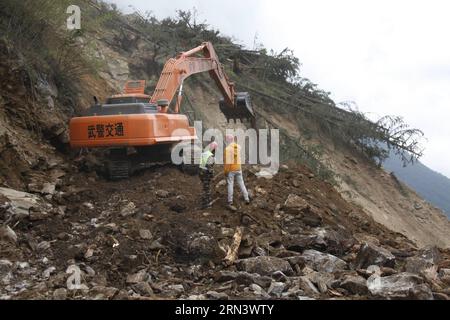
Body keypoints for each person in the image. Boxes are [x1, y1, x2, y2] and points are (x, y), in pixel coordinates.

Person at [224, 134, 250, 211]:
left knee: (230, 184)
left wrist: (226, 172)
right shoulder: (238, 147)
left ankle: (230, 201)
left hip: (231, 169)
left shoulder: (227, 149)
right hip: (238, 168)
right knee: (241, 183)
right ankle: (247, 198)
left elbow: (227, 162)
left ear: (228, 140)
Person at [199, 141, 218, 209]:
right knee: (207, 189)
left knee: (205, 188)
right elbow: (209, 167)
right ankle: (206, 204)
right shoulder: (210, 156)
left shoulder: (205, 153)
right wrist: (213, 176)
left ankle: (204, 202)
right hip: (206, 173)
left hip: (201, 172)